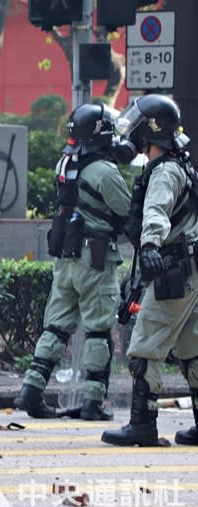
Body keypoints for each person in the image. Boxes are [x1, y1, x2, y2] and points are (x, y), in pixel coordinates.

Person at [14, 103, 131, 421]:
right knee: (98, 329)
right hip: (95, 259)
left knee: (56, 326)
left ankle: (31, 390)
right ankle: (94, 401)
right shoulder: (105, 172)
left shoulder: (64, 164)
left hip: (65, 258)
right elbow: (127, 210)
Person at [101, 94, 198, 447]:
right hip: (190, 270)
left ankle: (143, 425)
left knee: (145, 347)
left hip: (172, 270)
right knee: (192, 346)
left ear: (149, 129)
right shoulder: (180, 164)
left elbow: (156, 213)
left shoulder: (164, 171)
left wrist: (151, 248)